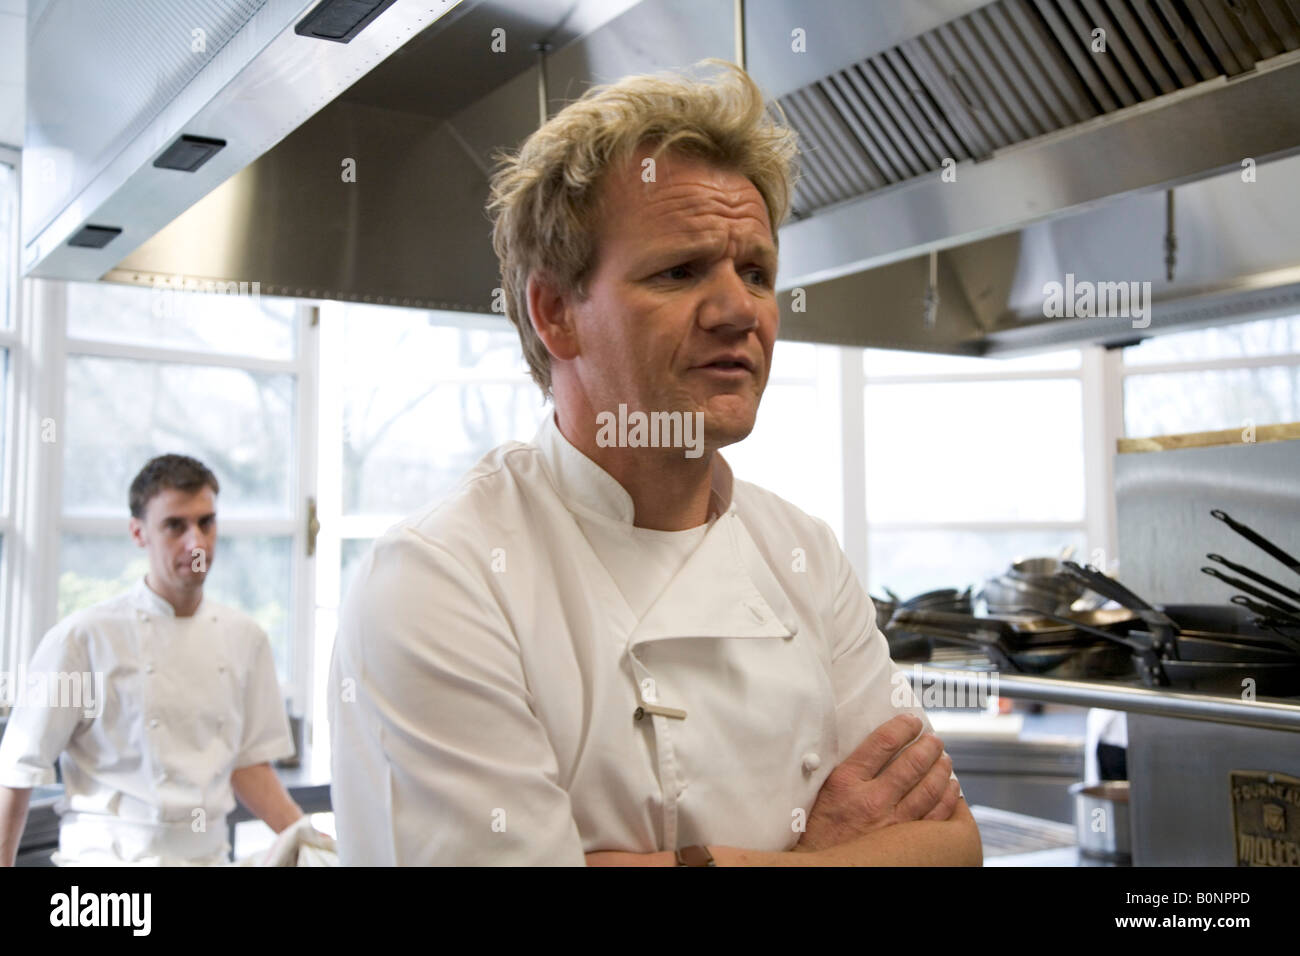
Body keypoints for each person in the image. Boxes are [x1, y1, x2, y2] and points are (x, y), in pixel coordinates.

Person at [329, 59, 983, 866]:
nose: (741, 309)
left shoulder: (801, 553)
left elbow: (952, 847)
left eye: (756, 272)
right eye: (680, 271)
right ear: (555, 313)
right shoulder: (444, 579)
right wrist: (833, 850)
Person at [0, 454, 304, 865]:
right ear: (138, 533)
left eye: (206, 522)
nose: (195, 542)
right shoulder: (83, 637)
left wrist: (317, 846)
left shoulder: (245, 638)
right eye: (175, 526)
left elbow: (249, 765)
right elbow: (18, 768)